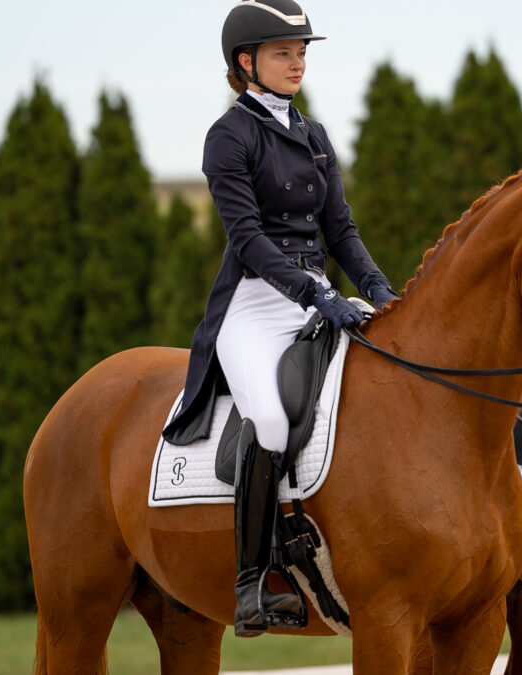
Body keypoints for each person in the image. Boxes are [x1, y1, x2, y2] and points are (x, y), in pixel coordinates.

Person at [161, 0, 397, 638]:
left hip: (319, 293)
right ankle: (251, 582)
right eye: (282, 53)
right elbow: (249, 239)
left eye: (301, 53)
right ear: (246, 62)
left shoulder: (314, 135)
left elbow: (340, 230)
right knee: (268, 420)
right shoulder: (229, 136)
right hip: (255, 303)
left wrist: (377, 286)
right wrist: (316, 296)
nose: (296, 63)